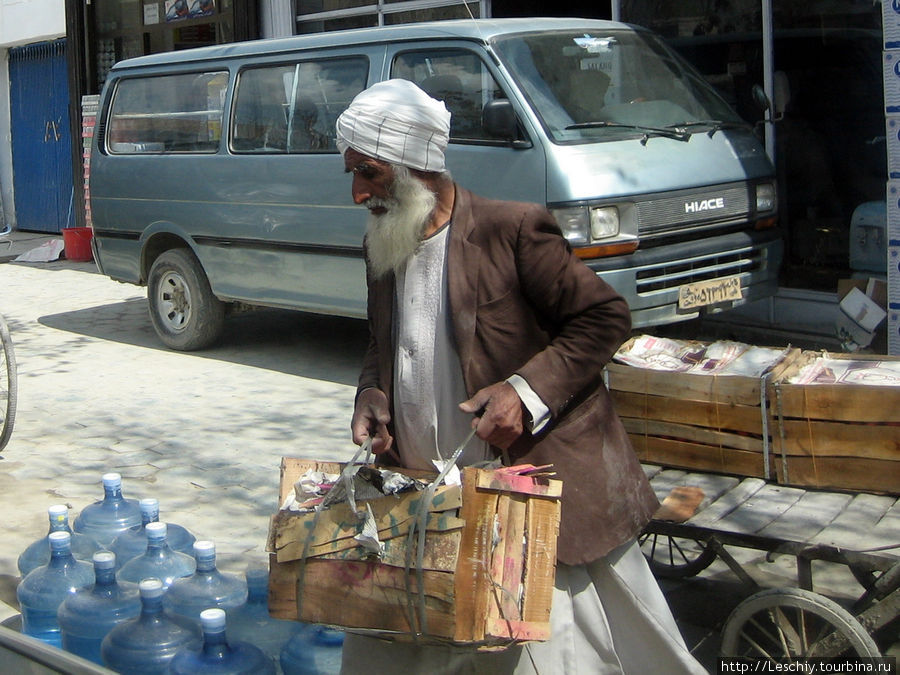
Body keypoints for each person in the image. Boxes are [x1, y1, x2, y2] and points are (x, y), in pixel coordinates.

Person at [337, 79, 706, 674]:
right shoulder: (384, 240)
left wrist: (524, 391)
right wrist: (371, 393)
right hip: (426, 500)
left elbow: (603, 317)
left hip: (525, 498)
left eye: (371, 173)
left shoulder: (511, 231)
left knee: (556, 653)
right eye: (351, 174)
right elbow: (382, 343)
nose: (357, 193)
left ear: (420, 168)